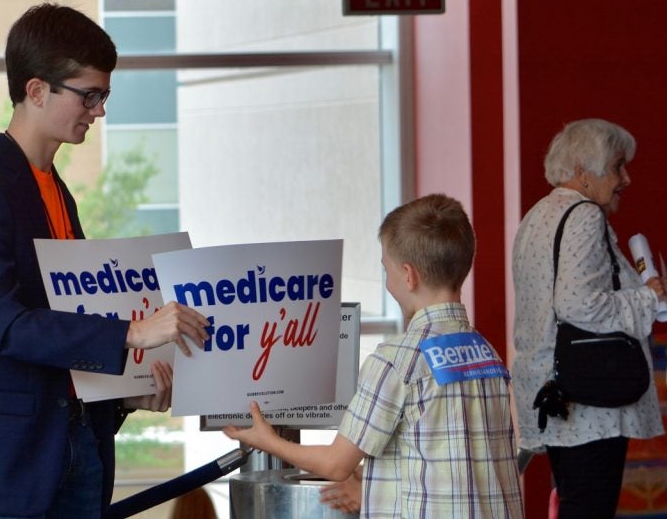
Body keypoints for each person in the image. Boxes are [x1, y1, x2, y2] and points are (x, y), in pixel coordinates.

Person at [0, 3, 210, 518]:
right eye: (90, 94)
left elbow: (61, 324)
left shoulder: (56, 192)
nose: (99, 110)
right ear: (37, 91)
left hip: (74, 448)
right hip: (13, 466)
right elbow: (2, 326)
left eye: (103, 95)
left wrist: (124, 396)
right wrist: (131, 332)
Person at [224, 193, 524, 518]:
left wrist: (268, 440)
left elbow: (335, 464)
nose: (388, 281)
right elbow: (449, 455)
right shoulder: (487, 354)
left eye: (386, 268)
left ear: (408, 275)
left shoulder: (396, 359)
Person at [511, 118, 666, 518]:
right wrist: (647, 299)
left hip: (557, 392)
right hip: (590, 398)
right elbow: (580, 305)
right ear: (583, 172)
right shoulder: (584, 216)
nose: (626, 179)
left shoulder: (537, 217)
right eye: (617, 167)